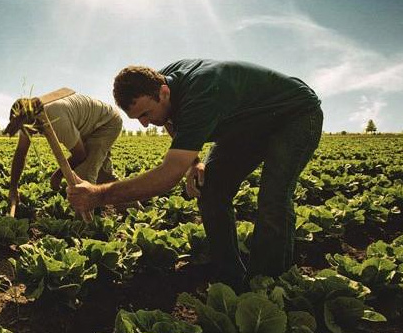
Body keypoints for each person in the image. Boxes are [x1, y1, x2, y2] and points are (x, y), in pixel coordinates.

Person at [67, 60, 322, 289]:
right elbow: (169, 121)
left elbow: (168, 176)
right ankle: (230, 277)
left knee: (273, 197)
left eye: (145, 114)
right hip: (244, 127)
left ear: (164, 93)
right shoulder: (161, 83)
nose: (144, 123)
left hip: (293, 116)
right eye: (137, 119)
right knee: (210, 190)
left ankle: (270, 284)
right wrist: (194, 163)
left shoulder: (203, 93)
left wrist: (99, 195)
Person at [3, 92, 123, 213]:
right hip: (89, 125)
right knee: (104, 175)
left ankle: (84, 226)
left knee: (84, 171)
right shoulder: (28, 120)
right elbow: (20, 153)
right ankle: (132, 207)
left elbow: (80, 155)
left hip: (106, 123)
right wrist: (13, 188)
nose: (26, 132)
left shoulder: (55, 118)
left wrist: (58, 175)